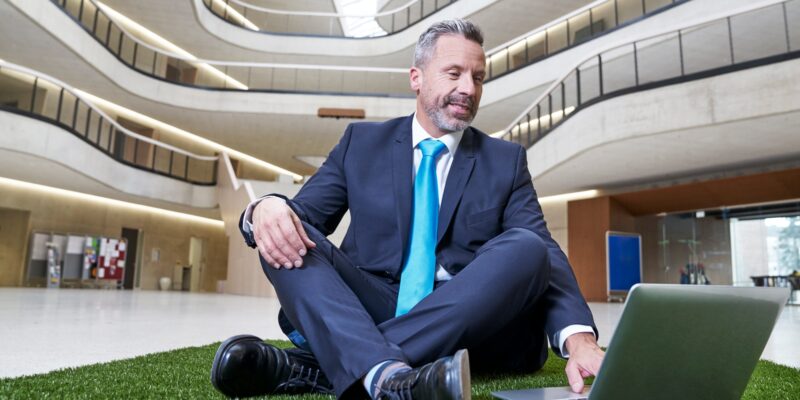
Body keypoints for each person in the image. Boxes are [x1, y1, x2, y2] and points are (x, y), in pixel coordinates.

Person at [211, 19, 605, 400]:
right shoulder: (361, 143)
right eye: (454, 74)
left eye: (478, 77)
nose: (468, 89)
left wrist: (580, 339)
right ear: (416, 78)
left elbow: (543, 251)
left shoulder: (506, 160)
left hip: (472, 322)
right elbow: (305, 215)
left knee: (527, 247)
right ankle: (388, 377)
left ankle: (330, 367)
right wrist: (263, 209)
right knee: (282, 227)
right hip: (375, 305)